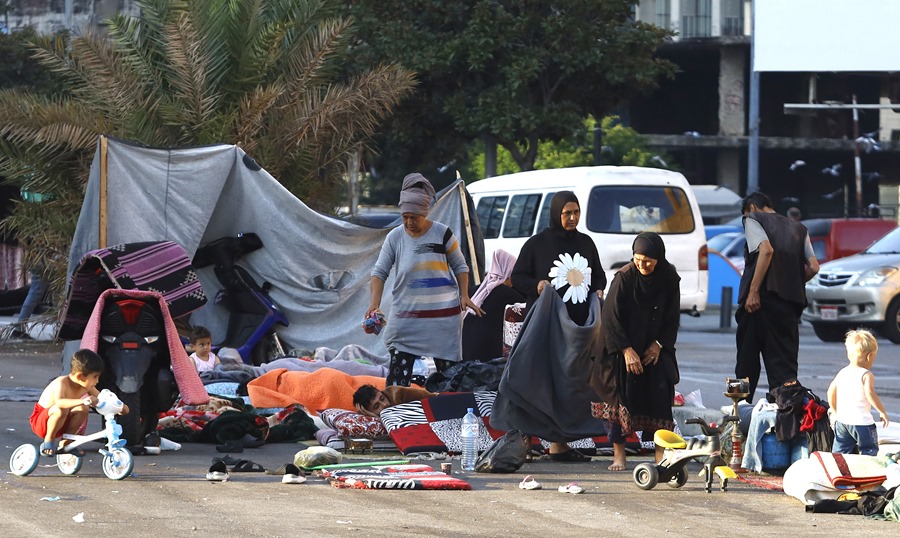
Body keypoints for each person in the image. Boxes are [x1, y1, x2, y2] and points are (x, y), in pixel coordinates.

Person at [500, 190, 606, 462]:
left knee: (571, 384)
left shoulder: (586, 243)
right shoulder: (538, 244)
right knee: (539, 378)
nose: (572, 218)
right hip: (547, 329)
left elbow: (599, 277)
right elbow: (517, 277)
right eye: (567, 213)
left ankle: (560, 443)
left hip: (579, 331)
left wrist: (599, 293)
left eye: (576, 212)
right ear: (556, 213)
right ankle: (525, 440)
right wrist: (537, 285)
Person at [366, 173, 483, 387]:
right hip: (406, 319)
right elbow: (379, 272)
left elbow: (460, 266)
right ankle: (397, 416)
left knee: (449, 379)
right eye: (405, 217)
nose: (409, 222)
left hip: (443, 320)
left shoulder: (443, 234)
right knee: (398, 380)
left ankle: (448, 414)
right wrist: (374, 303)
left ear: (425, 212)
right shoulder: (395, 237)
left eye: (414, 217)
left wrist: (464, 295)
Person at [590, 232, 681, 471]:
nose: (643, 264)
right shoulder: (624, 278)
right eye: (638, 258)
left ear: (659, 258)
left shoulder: (669, 278)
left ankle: (660, 456)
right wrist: (626, 350)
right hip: (621, 346)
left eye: (648, 260)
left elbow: (672, 318)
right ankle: (619, 456)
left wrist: (660, 344)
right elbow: (611, 318)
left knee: (659, 398)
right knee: (622, 397)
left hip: (653, 347)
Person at [735, 192, 819, 403]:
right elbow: (813, 267)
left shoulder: (752, 219)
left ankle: (739, 415)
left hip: (758, 304)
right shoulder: (800, 229)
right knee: (784, 370)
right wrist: (793, 283)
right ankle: (786, 417)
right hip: (789, 307)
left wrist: (754, 291)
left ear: (752, 208)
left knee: (746, 364)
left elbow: (766, 250)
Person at [30, 349, 128, 456]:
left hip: (62, 422)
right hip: (42, 423)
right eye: (95, 377)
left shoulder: (87, 387)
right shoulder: (61, 383)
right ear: (80, 376)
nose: (97, 381)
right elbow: (59, 402)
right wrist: (83, 401)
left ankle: (67, 441)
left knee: (83, 409)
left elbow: (103, 398)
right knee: (61, 409)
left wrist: (119, 406)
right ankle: (48, 440)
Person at [827, 329, 889, 456]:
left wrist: (834, 411)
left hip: (842, 422)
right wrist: (882, 411)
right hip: (862, 423)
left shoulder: (842, 372)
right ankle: (867, 473)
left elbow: (830, 392)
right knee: (869, 451)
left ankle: (838, 472)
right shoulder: (866, 374)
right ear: (869, 356)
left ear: (849, 355)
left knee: (840, 453)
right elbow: (870, 394)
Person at [462, 249, 524, 361]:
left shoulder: (475, 291)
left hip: (465, 351)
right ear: (508, 273)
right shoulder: (509, 295)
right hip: (490, 356)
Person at [352, 384, 437, 417]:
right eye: (376, 406)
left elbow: (433, 397)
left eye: (382, 398)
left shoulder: (397, 394)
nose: (384, 405)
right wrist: (373, 416)